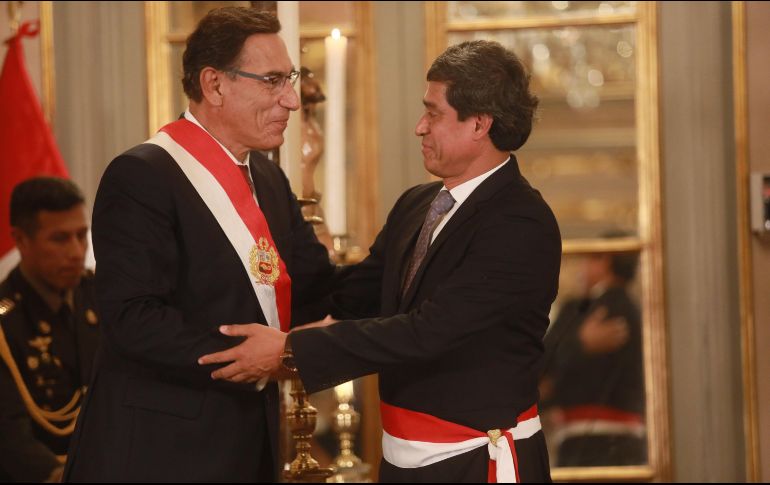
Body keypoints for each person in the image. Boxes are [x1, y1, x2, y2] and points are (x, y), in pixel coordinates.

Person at [201, 40, 562, 482]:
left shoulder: (521, 221)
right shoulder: (418, 204)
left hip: (475, 459)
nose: (419, 127)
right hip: (402, 459)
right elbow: (348, 296)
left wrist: (290, 350)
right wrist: (260, 250)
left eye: (434, 113)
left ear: (479, 125)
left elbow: (427, 333)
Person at [63, 7, 335, 482]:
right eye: (272, 80)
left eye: (288, 78)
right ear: (214, 85)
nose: (291, 99)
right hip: (159, 451)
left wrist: (413, 259)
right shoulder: (143, 175)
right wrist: (253, 357)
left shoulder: (268, 179)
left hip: (248, 444)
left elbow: (316, 289)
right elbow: (132, 317)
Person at [0, 177, 99, 482]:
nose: (76, 251)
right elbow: (8, 433)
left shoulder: (102, 295)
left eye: (81, 235)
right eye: (59, 239)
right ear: (21, 241)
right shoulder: (5, 324)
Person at [539, 241, 646, 467]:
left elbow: (542, 362)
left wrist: (578, 343)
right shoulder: (636, 312)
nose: (582, 267)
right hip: (632, 447)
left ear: (604, 261)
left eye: (589, 259)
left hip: (586, 446)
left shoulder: (582, 309)